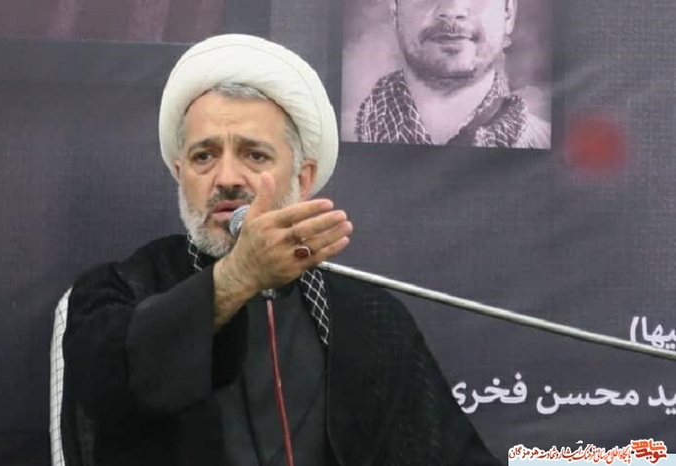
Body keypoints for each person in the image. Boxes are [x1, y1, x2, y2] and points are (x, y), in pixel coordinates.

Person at [60, 34, 502, 465]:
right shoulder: (120, 288)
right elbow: (104, 388)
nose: (226, 178)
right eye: (203, 156)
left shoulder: (369, 316)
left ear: (303, 179)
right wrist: (238, 277)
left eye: (254, 155)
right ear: (180, 173)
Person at [355, 0, 551, 148]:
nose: (451, 9)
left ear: (508, 13)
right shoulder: (341, 143)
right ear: (395, 10)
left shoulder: (550, 147)